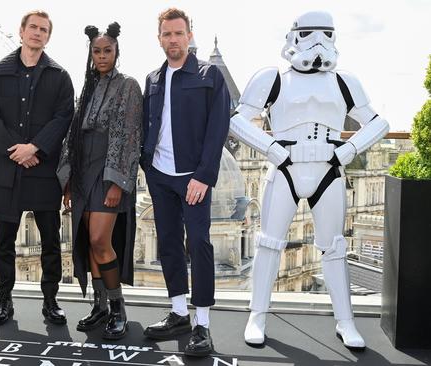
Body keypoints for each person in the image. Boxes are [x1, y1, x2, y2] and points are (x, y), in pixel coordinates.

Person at [230, 11, 389, 349]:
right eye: (311, 33)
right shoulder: (271, 78)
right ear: (294, 36)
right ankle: (257, 314)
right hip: (285, 169)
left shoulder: (345, 81)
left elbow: (378, 123)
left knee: (334, 248)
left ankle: (345, 320)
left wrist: (347, 151)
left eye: (326, 33)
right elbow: (237, 120)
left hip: (327, 170)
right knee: (269, 244)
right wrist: (272, 148)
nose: (319, 41)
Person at [140, 8, 231, 357]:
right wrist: (147, 167)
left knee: (199, 244)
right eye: (167, 34)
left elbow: (217, 127)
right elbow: (149, 126)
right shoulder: (152, 79)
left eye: (179, 33)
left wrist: (203, 176)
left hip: (193, 179)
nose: (173, 39)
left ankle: (202, 323)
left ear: (189, 36)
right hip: (160, 176)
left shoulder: (210, 76)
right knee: (168, 245)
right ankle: (179, 313)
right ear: (160, 38)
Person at [0, 10, 74, 327]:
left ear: (48, 36)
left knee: (51, 242)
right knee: (4, 242)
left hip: (43, 170)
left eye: (43, 29)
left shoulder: (60, 77)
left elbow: (64, 118)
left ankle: (51, 302)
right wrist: (18, 150)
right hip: (6, 170)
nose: (37, 33)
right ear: (21, 32)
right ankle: (4, 301)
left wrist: (33, 148)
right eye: (32, 27)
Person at [57, 22, 142, 339]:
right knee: (86, 240)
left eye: (107, 50)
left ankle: (118, 308)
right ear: (90, 54)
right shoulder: (87, 88)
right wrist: (68, 178)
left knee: (99, 240)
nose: (102, 55)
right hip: (83, 172)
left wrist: (117, 182)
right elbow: (73, 134)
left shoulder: (129, 86)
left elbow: (130, 136)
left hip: (109, 172)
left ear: (116, 52)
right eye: (97, 51)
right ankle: (100, 306)